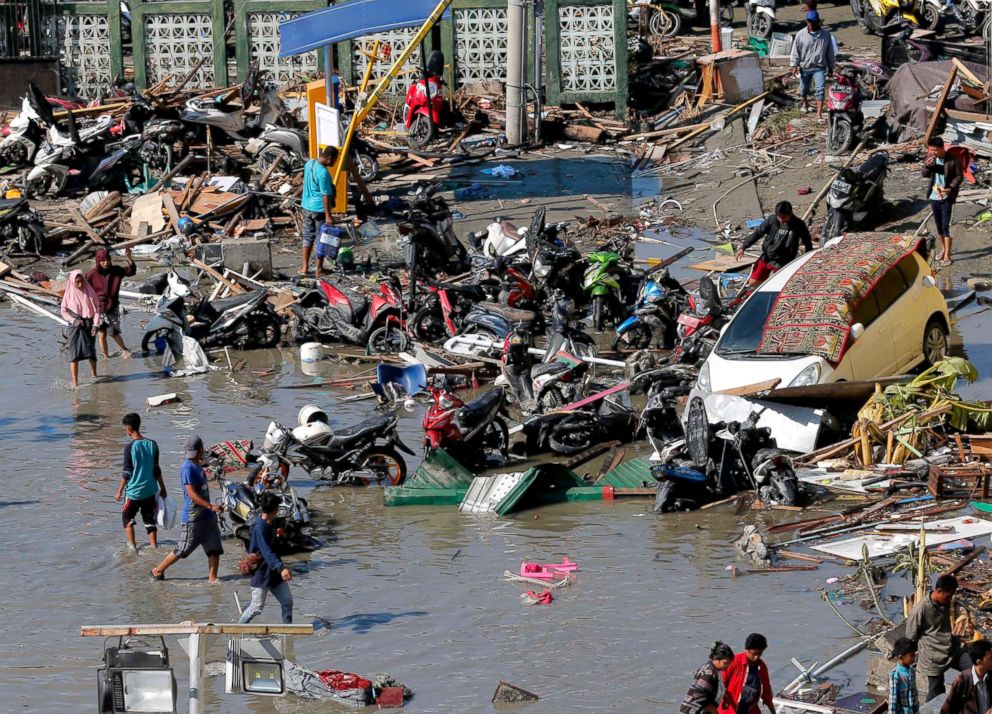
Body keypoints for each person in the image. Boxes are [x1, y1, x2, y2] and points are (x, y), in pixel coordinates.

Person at [151, 436, 223, 582]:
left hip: (208, 518)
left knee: (214, 550)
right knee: (182, 549)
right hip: (193, 518)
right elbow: (191, 493)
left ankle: (212, 581)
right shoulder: (187, 467)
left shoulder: (198, 465)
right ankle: (157, 571)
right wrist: (210, 506)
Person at [906, 575, 971, 702]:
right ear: (939, 591)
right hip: (933, 657)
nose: (950, 599)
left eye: (952, 596)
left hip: (952, 648)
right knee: (936, 692)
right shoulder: (920, 610)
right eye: (948, 596)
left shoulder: (945, 601)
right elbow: (910, 637)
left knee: (975, 668)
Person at [238, 492, 294, 624]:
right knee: (256, 608)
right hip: (262, 574)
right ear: (274, 510)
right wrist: (281, 568)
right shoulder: (260, 528)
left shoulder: (270, 524)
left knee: (287, 602)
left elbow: (273, 548)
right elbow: (267, 552)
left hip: (274, 574)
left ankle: (288, 632)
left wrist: (280, 537)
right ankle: (237, 630)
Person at [114, 413, 167, 553]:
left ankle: (132, 547)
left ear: (130, 428)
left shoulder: (129, 448)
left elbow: (127, 472)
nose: (125, 430)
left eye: (125, 428)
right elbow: (156, 469)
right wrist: (162, 487)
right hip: (150, 490)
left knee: (127, 516)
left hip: (134, 492)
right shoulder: (152, 444)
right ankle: (154, 546)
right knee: (149, 518)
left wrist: (119, 490)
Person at [735, 201, 813, 288]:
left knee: (779, 286)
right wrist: (743, 247)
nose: (781, 219)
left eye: (784, 217)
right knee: (754, 282)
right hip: (767, 256)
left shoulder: (799, 225)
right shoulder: (772, 220)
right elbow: (758, 233)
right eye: (779, 217)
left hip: (783, 262)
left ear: (790, 214)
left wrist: (808, 261)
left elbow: (807, 242)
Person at [86, 246, 136, 359]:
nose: (106, 263)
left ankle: (124, 350)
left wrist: (129, 258)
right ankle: (105, 356)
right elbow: (85, 291)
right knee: (101, 333)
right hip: (98, 309)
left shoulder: (116, 271)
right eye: (103, 261)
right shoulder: (91, 275)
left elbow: (131, 271)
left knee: (113, 332)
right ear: (98, 261)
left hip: (112, 307)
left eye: (107, 260)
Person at [923, 136, 964, 267]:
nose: (933, 152)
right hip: (934, 196)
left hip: (946, 197)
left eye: (935, 150)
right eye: (931, 149)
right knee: (939, 226)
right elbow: (924, 174)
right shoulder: (930, 158)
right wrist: (927, 166)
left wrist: (950, 188)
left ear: (942, 148)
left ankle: (947, 255)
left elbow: (959, 176)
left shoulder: (952, 159)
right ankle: (943, 249)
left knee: (945, 226)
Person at [299, 145, 339, 276]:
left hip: (306, 206)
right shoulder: (323, 173)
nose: (334, 162)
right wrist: (329, 215)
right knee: (321, 239)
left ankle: (304, 268)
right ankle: (319, 269)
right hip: (319, 209)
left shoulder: (310, 163)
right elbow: (325, 195)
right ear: (329, 158)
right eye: (334, 159)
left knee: (307, 237)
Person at [790, 11, 836, 121]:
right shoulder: (800, 35)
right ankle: (805, 104)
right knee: (803, 90)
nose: (811, 24)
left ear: (817, 22)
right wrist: (794, 65)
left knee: (819, 89)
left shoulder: (826, 35)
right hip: (805, 67)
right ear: (807, 22)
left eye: (813, 22)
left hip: (819, 67)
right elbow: (795, 51)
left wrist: (831, 66)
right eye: (809, 22)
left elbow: (830, 52)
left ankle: (819, 114)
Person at [60, 269, 100, 389]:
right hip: (75, 325)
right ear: (72, 282)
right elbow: (63, 311)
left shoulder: (89, 291)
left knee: (91, 352)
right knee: (74, 355)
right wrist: (73, 320)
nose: (80, 284)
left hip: (88, 324)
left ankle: (94, 374)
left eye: (81, 281)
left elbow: (97, 309)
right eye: (77, 282)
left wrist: (96, 324)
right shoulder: (69, 293)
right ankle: (75, 383)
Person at [720, 633, 776, 714]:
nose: (757, 657)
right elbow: (720, 684)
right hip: (730, 709)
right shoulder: (733, 662)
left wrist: (773, 712)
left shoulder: (762, 667)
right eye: (754, 654)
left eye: (760, 654)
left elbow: (766, 691)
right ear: (746, 650)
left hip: (750, 709)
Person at [940, 639, 992, 714]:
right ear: (979, 662)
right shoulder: (962, 681)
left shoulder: (989, 676)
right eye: (990, 658)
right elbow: (947, 710)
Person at [682, 642, 735, 714]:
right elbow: (699, 696)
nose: (727, 666)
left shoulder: (714, 669)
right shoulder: (708, 674)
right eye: (725, 663)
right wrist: (715, 712)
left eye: (729, 663)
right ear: (716, 659)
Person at [889, 637, 919, 714]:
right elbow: (893, 701)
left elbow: (914, 695)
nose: (914, 657)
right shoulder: (895, 675)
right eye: (911, 655)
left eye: (914, 654)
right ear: (901, 657)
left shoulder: (912, 671)